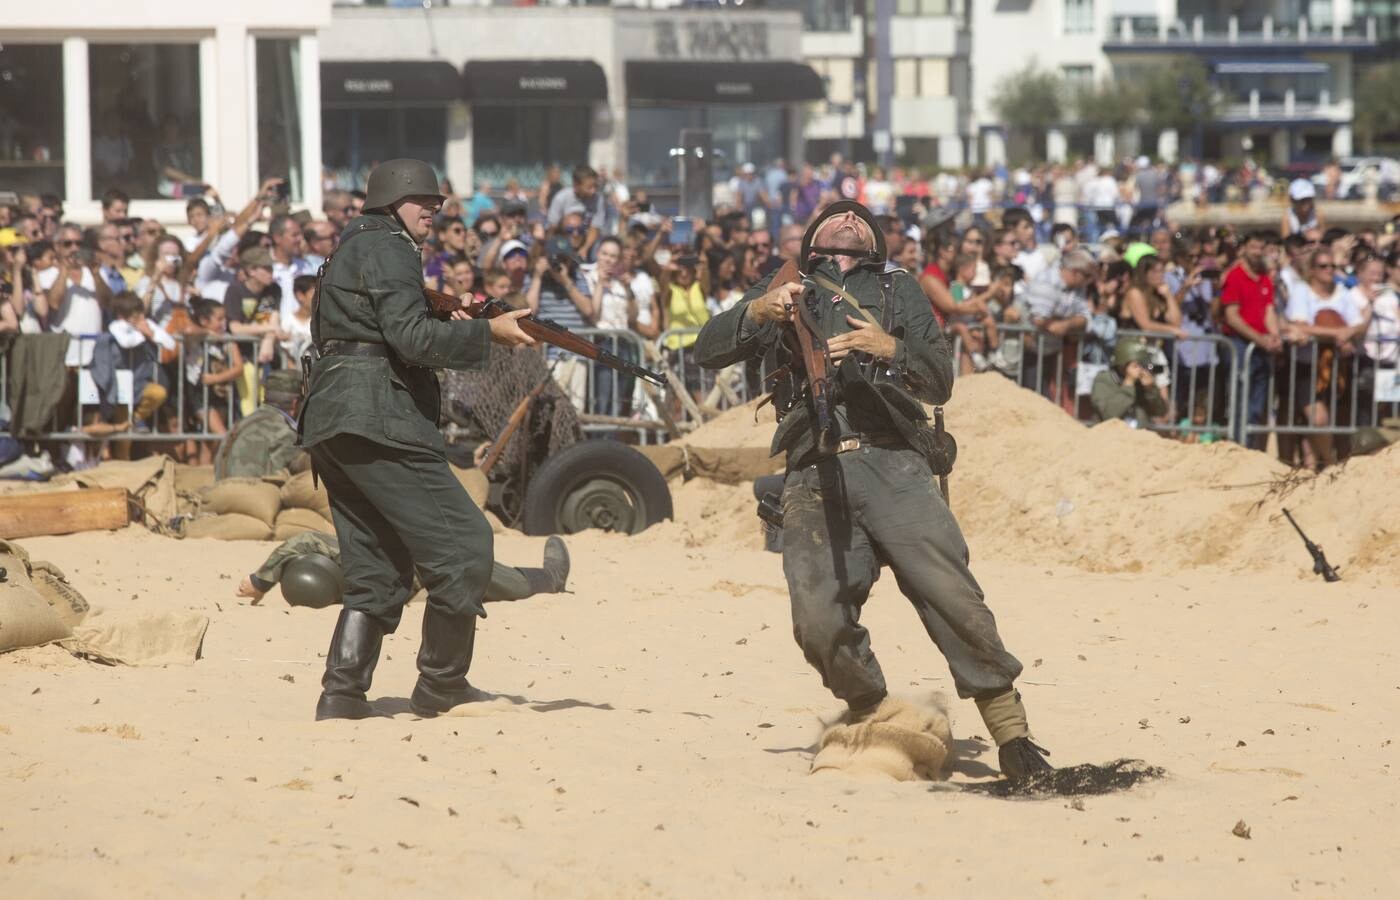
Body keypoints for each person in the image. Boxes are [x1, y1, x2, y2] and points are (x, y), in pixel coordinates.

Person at [692, 200, 1053, 782]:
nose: (848, 217)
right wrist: (759, 311)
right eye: (835, 214)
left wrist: (888, 348)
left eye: (860, 217)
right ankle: (874, 707)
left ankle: (1011, 735)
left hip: (895, 461)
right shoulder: (786, 285)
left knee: (952, 596)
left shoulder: (898, 288)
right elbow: (707, 349)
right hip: (814, 470)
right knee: (816, 618)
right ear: (811, 238)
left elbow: (940, 379)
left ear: (876, 243)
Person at [298, 158, 535, 722]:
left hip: (335, 418)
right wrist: (488, 333)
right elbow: (409, 338)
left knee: (377, 565)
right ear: (390, 203)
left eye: (438, 202)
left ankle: (343, 693)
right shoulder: (390, 246)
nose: (433, 208)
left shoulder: (351, 247)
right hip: (377, 415)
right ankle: (443, 684)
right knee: (466, 547)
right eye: (422, 200)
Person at [1219, 231, 1283, 450]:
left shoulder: (1265, 278)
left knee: (1257, 405)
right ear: (1244, 249)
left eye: (1261, 247)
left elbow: (1269, 311)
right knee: (1240, 402)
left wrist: (1274, 336)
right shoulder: (1235, 276)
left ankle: (1251, 448)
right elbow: (1232, 316)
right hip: (1239, 345)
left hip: (1260, 347)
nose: (1258, 252)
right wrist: (1261, 340)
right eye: (1254, 247)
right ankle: (1238, 446)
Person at [213, 369, 306, 479]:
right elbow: (282, 482)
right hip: (252, 493)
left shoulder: (239, 426)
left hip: (219, 491)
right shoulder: (284, 433)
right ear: (295, 403)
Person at [1091, 338, 1168, 426]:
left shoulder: (1142, 382)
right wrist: (1129, 383)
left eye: (1141, 364)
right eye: (1135, 365)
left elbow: (1160, 412)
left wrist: (1150, 390)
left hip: (1138, 435)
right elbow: (1109, 414)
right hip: (1110, 434)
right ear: (1122, 366)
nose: (1140, 369)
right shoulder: (1104, 380)